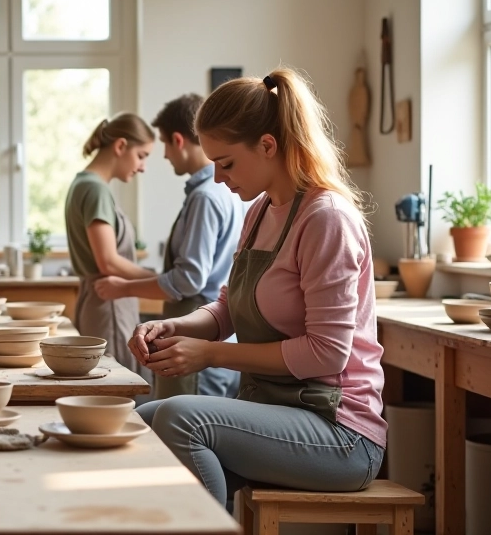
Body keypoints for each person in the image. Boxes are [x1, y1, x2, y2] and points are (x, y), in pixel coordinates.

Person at [130, 69, 386, 506]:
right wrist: (176, 329)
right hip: (277, 409)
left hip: (340, 431)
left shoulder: (326, 218)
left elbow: (326, 352)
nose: (216, 177)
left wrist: (211, 354)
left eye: (225, 163)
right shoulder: (261, 211)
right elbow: (227, 309)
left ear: (267, 145)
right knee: (139, 422)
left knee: (179, 418)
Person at [94, 94, 244, 399]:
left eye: (163, 144)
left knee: (184, 433)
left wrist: (124, 287)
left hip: (198, 334)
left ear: (178, 140)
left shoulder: (205, 197)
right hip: (221, 336)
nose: (163, 156)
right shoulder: (225, 192)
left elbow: (188, 279)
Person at [65, 113, 156, 385]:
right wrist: (159, 279)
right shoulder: (95, 190)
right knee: (116, 390)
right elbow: (108, 262)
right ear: (120, 146)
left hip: (100, 304)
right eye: (141, 155)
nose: (142, 167)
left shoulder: (82, 184)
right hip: (110, 309)